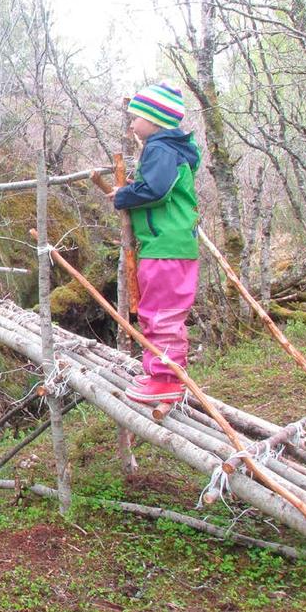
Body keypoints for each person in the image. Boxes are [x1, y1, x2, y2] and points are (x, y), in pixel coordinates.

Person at [107, 83, 200, 406]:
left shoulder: (161, 149)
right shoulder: (172, 150)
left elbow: (157, 190)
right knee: (158, 312)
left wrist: (124, 196)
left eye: (136, 118)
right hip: (169, 247)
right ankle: (160, 373)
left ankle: (166, 379)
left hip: (166, 249)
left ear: (155, 120)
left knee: (162, 314)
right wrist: (134, 191)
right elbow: (160, 188)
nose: (132, 124)